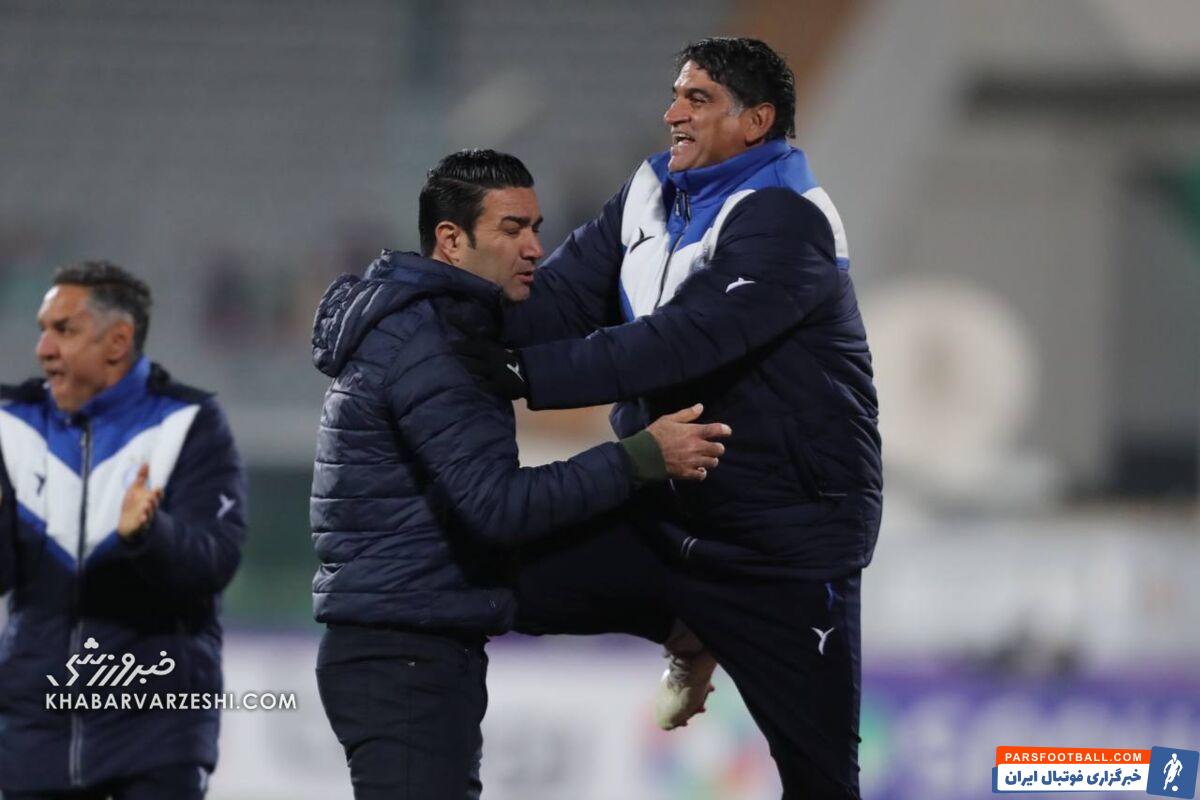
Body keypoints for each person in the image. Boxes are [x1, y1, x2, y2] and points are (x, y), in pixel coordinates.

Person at [454, 38, 881, 799]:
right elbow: (559, 300)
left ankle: (702, 629)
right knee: (452, 586)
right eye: (676, 94)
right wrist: (437, 318)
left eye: (697, 99)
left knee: (822, 783)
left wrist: (522, 376)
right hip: (663, 519)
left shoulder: (789, 222)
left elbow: (680, 342)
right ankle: (684, 630)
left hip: (780, 552)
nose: (672, 113)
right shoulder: (651, 190)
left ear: (756, 121)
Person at [309, 149, 730, 800]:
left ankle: (682, 627)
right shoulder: (431, 345)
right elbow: (499, 508)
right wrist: (641, 456)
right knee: (597, 511)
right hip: (401, 654)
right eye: (512, 229)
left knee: (602, 534)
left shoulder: (435, 326)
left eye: (536, 228)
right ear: (452, 240)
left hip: (412, 637)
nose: (534, 247)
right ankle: (686, 626)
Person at [0, 261, 247, 799]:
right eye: (43, 330)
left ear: (117, 342)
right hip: (36, 738)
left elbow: (214, 563)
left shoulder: (187, 424)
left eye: (63, 330)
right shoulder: (14, 425)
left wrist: (148, 535)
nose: (43, 349)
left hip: (155, 736)